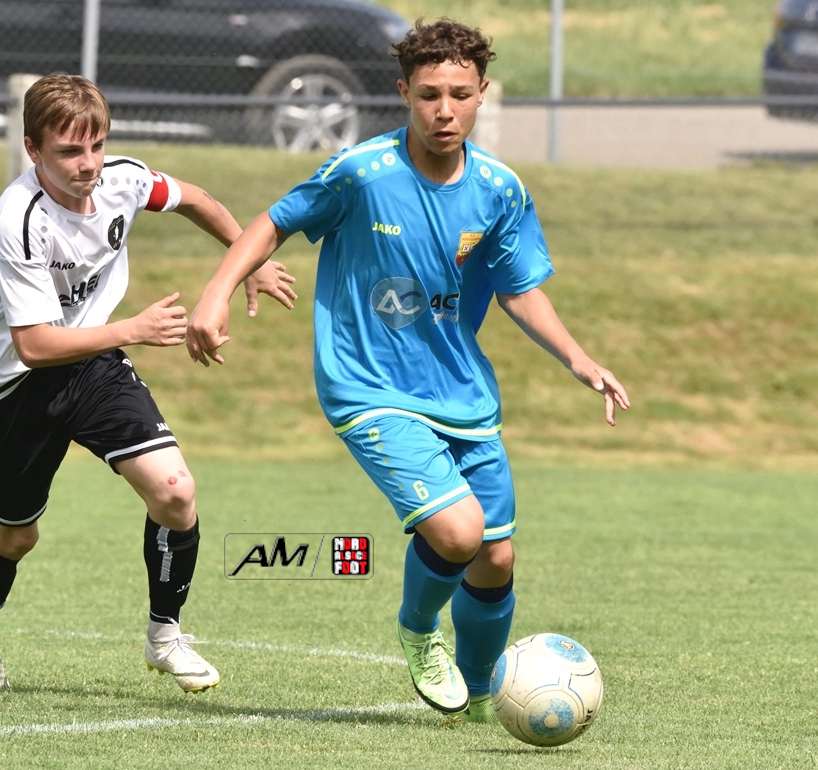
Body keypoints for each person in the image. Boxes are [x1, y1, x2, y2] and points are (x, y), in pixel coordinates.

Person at [185, 19, 629, 721]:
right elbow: (274, 220)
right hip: (369, 386)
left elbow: (517, 288)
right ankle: (419, 629)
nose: (444, 110)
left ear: (483, 93)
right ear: (403, 93)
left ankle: (480, 697)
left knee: (495, 558)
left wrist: (580, 359)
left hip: (461, 392)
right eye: (428, 95)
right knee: (456, 533)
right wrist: (217, 291)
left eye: (460, 94)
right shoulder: (362, 173)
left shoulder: (499, 189)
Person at [0, 73, 295, 693]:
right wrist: (134, 329)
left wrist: (251, 260)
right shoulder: (19, 221)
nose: (88, 164)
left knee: (175, 492)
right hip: (9, 388)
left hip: (91, 363)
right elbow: (34, 346)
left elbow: (194, 198)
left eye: (97, 145)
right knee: (16, 534)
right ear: (33, 149)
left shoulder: (123, 180)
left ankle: (166, 636)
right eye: (68, 151)